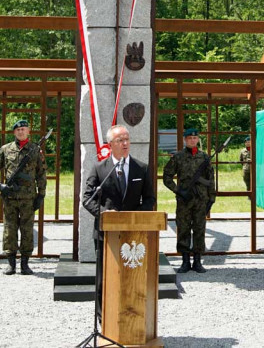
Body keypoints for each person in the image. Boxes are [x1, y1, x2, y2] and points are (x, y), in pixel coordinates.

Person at [82, 125, 154, 315]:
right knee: (104, 278)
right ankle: (103, 317)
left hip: (134, 233)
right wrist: (105, 214)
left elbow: (149, 199)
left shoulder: (142, 168)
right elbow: (87, 199)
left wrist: (133, 217)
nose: (125, 143)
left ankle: (130, 315)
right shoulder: (99, 168)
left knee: (131, 276)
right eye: (120, 140)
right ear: (110, 144)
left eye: (127, 139)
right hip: (106, 233)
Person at [0, 118, 46, 275]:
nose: (21, 132)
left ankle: (25, 263)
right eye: (18, 130)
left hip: (28, 198)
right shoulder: (6, 149)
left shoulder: (35, 150)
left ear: (28, 131)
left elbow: (41, 174)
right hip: (10, 197)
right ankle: (11, 263)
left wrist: (41, 194)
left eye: (24, 129)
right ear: (14, 132)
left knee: (27, 230)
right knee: (10, 229)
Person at [163, 129, 214, 273]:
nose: (192, 140)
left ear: (198, 140)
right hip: (184, 200)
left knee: (199, 229)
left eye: (195, 138)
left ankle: (197, 261)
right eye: (190, 138)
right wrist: (178, 190)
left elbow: (210, 180)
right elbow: (167, 176)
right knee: (184, 229)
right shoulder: (178, 157)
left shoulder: (204, 157)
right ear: (185, 139)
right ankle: (185, 261)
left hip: (200, 199)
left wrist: (212, 198)